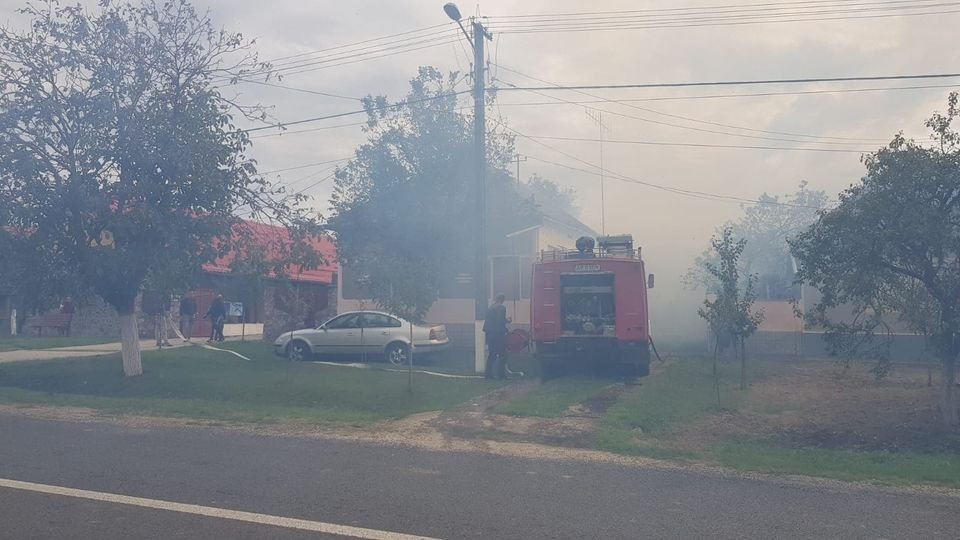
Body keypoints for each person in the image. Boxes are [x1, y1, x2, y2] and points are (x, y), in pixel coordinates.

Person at [483, 294, 511, 380]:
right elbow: (499, 321)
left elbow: (492, 320)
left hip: (489, 334)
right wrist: (506, 325)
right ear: (502, 300)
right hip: (498, 335)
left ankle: (488, 375)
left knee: (492, 355)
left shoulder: (491, 307)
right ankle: (501, 375)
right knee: (503, 355)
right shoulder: (501, 308)